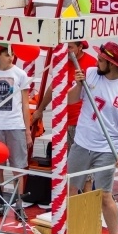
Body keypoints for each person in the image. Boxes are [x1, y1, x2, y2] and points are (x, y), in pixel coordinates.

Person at [67, 42, 118, 234]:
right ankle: (70, 232)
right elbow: (70, 100)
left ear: (111, 63)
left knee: (104, 194)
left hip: (107, 147)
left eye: (101, 60)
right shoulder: (89, 73)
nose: (96, 61)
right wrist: (78, 85)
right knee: (70, 189)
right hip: (81, 142)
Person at [31, 41, 97, 192]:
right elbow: (52, 87)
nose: (66, 51)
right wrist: (40, 109)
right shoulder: (60, 62)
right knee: (64, 164)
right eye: (64, 47)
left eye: (70, 47)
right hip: (62, 121)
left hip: (83, 123)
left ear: (80, 47)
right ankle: (65, 202)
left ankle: (86, 204)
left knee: (85, 167)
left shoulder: (92, 64)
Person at [0, 43, 32, 217]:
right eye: (6, 54)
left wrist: (27, 130)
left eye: (12, 54)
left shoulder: (20, 74)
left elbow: (25, 104)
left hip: (16, 125)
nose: (10, 58)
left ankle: (19, 205)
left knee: (18, 167)